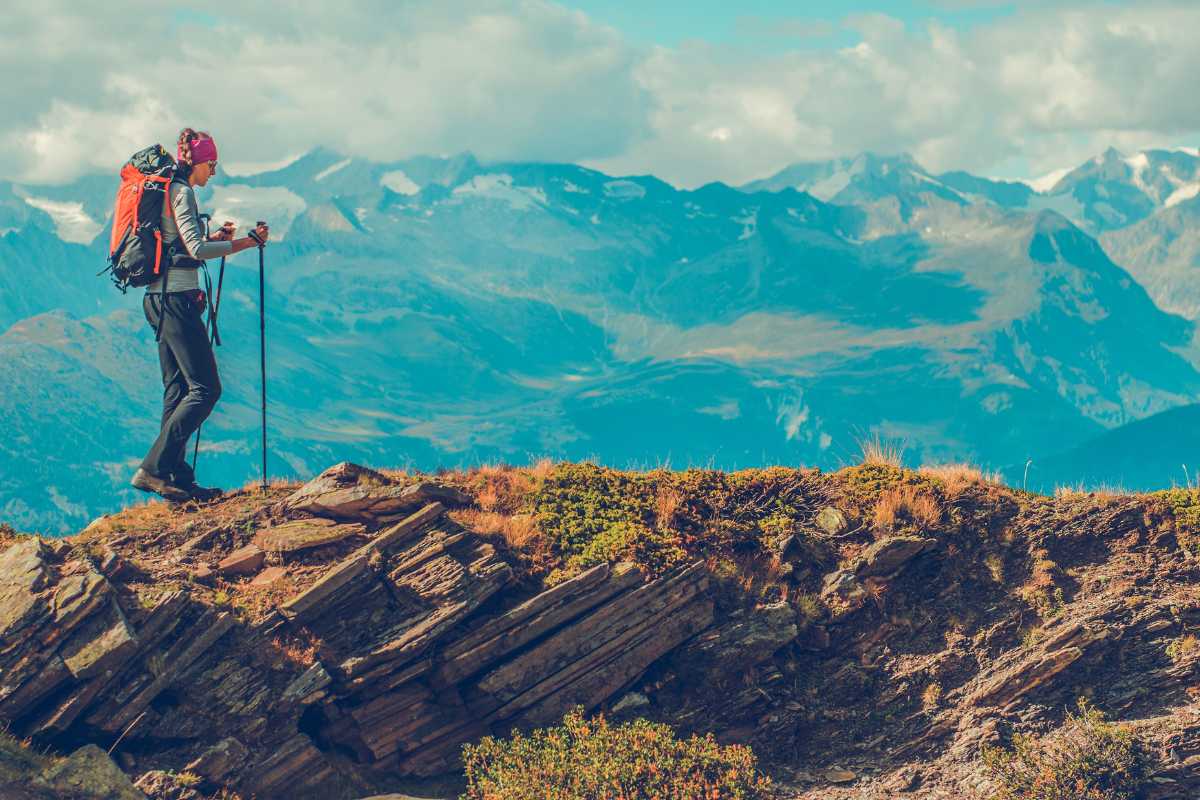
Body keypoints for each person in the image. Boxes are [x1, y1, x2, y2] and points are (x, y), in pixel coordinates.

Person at [130, 128, 270, 503]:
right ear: (200, 161)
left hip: (158, 299)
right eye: (212, 164)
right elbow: (195, 249)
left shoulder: (170, 190)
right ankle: (154, 469)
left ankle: (176, 478)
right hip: (175, 300)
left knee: (177, 390)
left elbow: (181, 239)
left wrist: (214, 233)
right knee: (206, 389)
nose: (214, 172)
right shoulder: (183, 191)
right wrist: (247, 242)